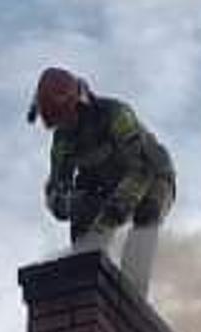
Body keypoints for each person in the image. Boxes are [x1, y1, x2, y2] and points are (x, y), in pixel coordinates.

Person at [29, 66, 175, 297]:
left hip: (152, 175)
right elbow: (57, 186)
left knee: (147, 216)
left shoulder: (116, 115)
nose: (62, 126)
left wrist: (110, 218)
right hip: (105, 186)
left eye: (63, 117)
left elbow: (142, 168)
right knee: (83, 217)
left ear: (78, 105)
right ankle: (84, 283)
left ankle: (133, 297)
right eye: (55, 122)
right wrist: (67, 204)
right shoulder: (62, 142)